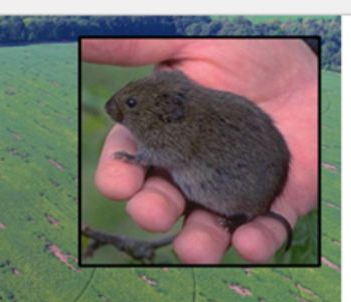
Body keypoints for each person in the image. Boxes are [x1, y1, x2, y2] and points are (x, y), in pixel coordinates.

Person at [83, 38, 318, 264]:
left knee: (226, 239)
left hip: (245, 187)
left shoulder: (180, 131)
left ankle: (243, 214)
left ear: (169, 111)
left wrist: (140, 158)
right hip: (259, 168)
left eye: (131, 104)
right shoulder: (185, 115)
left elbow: (171, 155)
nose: (115, 109)